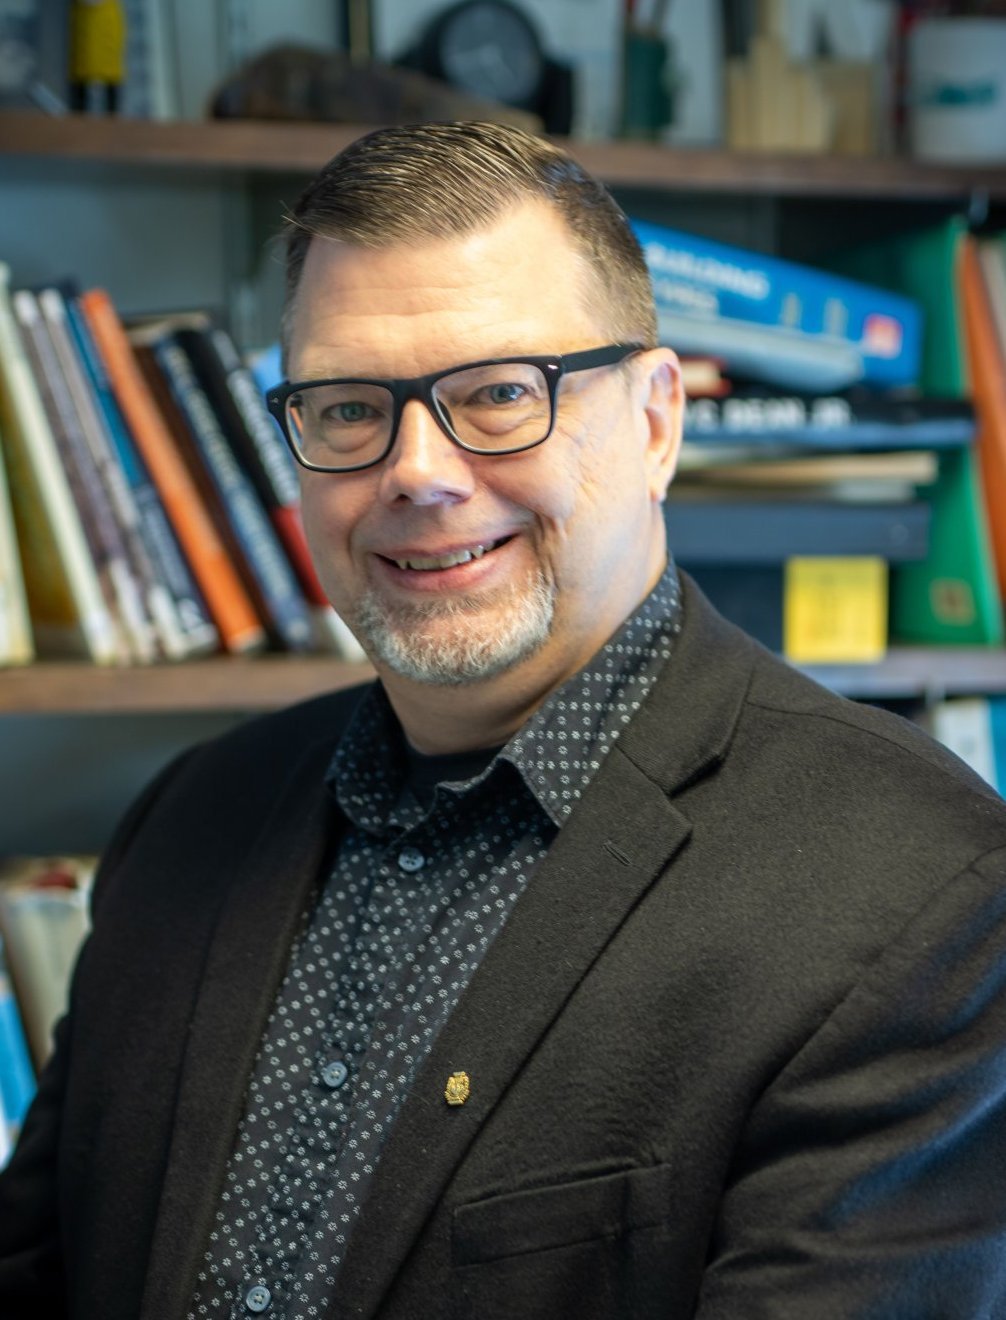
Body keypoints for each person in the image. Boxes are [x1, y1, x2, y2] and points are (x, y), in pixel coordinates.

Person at [2, 121, 1006, 1320]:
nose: (416, 472)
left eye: (495, 395)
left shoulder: (918, 893)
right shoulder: (192, 814)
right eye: (345, 409)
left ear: (654, 422)